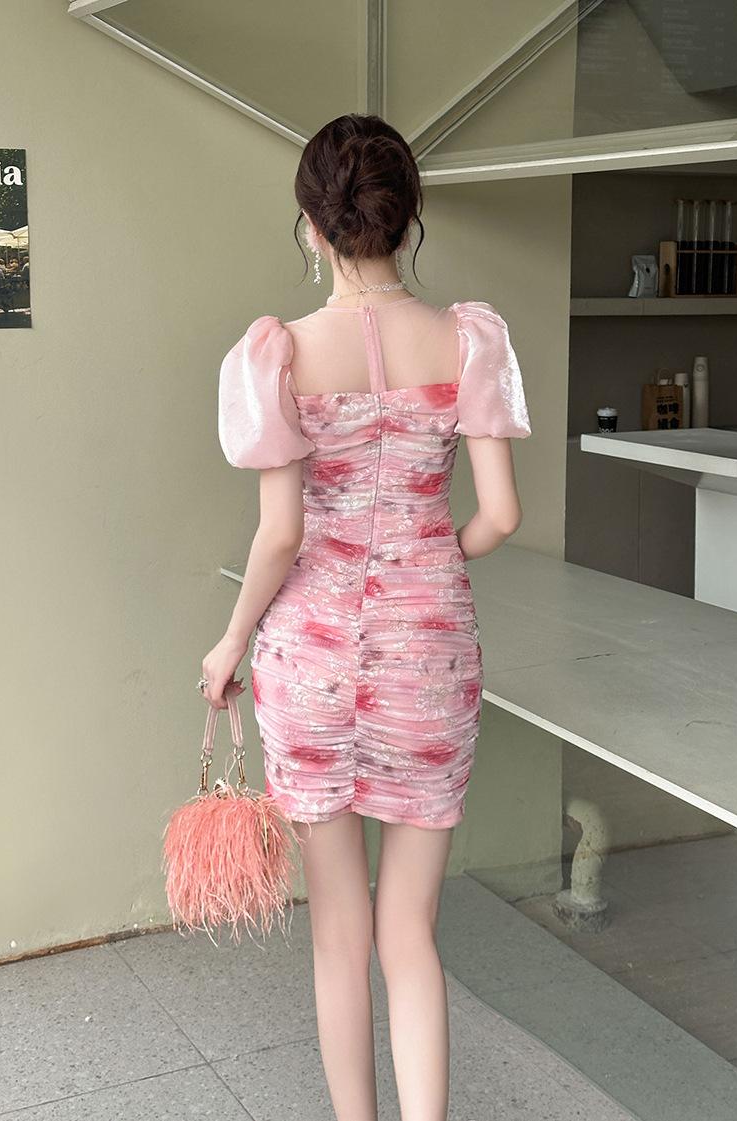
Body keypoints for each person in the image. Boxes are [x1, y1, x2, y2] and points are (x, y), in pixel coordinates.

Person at [201, 113, 531, 1121]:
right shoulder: (467, 339)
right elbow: (501, 516)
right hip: (431, 655)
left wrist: (230, 641)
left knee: (338, 933)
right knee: (410, 933)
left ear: (313, 226)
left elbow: (280, 535)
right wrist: (432, 556)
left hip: (310, 660)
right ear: (407, 216)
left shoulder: (280, 354)